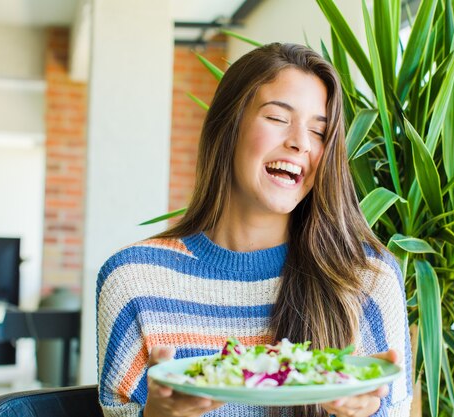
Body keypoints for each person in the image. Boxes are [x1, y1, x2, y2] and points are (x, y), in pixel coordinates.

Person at [97, 42, 412, 417]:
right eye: (278, 118)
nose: (299, 143)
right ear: (227, 127)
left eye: (319, 131)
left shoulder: (366, 280)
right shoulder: (134, 281)